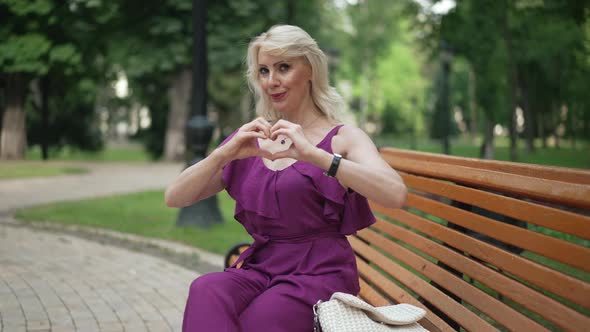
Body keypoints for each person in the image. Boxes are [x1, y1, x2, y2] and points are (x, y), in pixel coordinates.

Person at [165, 24, 407, 332]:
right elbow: (175, 197)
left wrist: (313, 155)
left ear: (309, 70)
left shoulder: (343, 138)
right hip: (262, 267)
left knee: (261, 319)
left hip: (320, 272)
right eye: (263, 71)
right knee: (206, 289)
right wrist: (222, 155)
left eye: (283, 68)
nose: (272, 81)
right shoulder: (253, 139)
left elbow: (395, 193)